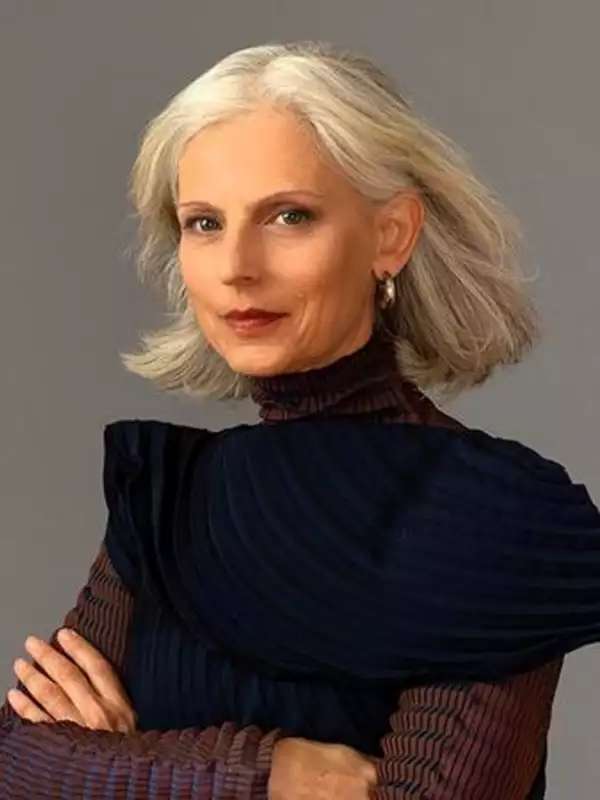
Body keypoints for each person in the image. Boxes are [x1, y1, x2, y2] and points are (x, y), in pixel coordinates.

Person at [1, 39, 598, 799]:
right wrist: (264, 776)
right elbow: (15, 762)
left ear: (391, 235)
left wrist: (110, 765)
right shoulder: (167, 501)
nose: (237, 267)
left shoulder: (495, 519)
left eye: (289, 216)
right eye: (204, 223)